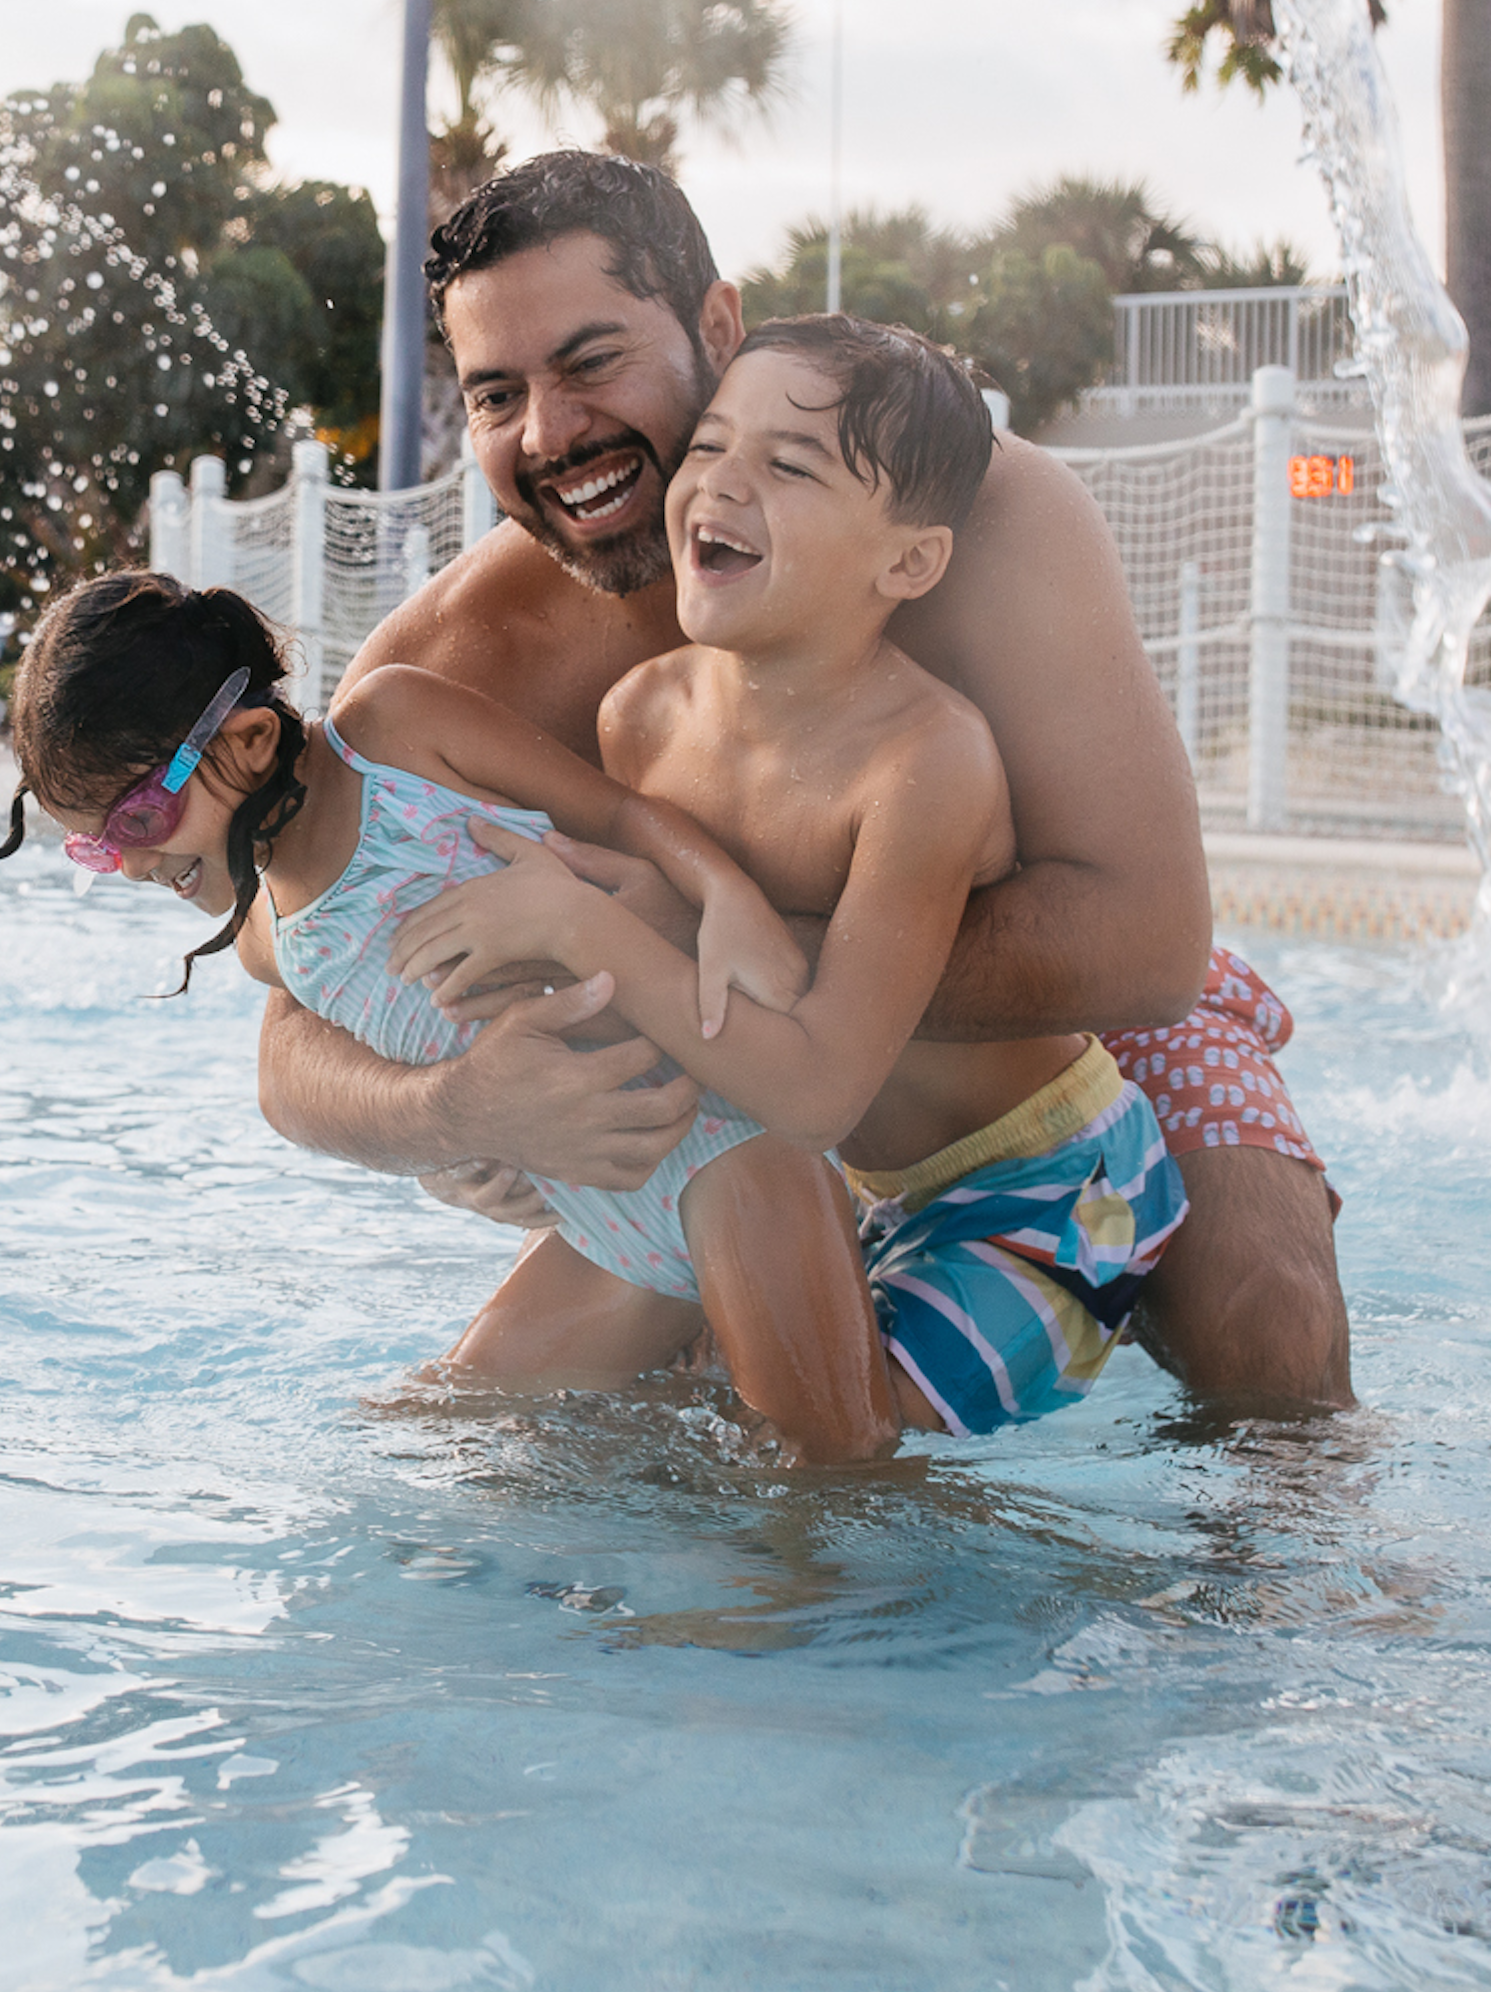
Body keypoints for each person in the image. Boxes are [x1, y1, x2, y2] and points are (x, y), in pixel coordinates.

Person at [263, 150, 1354, 1411]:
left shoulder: (971, 522)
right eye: (498, 394)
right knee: (541, 1420)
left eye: (592, 361)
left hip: (1057, 1058)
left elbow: (1151, 942)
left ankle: (1309, 1593)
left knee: (1263, 1327)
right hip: (751, 1085)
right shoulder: (467, 667)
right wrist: (456, 1106)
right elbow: (289, 1014)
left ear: (716, 326)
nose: (552, 435)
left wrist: (691, 949)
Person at [392, 315, 1188, 1433]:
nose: (721, 484)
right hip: (832, 1181)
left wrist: (580, 928)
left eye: (790, 465)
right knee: (464, 1409)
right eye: (711, 446)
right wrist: (512, 1122)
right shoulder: (642, 718)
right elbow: (675, 986)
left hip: (1042, 1188)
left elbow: (822, 1083)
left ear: (907, 561)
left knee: (821, 1455)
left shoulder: (926, 761)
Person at [0, 572, 922, 1463]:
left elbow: (623, 815)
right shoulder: (271, 939)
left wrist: (729, 899)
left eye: (138, 820)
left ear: (250, 741)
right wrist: (453, 1140)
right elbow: (365, 1083)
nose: (133, 864)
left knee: (828, 1490)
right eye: (93, 848)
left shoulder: (393, 733)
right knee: (424, 1436)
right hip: (603, 1229)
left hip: (725, 1153)